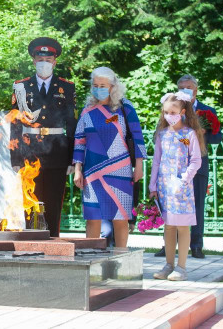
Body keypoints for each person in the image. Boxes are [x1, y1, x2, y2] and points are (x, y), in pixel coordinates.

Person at [72, 67, 146, 247]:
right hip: (92, 172)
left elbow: (137, 137)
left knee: (120, 217)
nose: (98, 88)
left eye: (103, 85)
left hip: (120, 171)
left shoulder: (125, 108)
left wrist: (140, 166)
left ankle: (121, 257)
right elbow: (79, 141)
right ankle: (91, 256)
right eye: (95, 85)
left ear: (113, 86)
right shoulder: (87, 110)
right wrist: (77, 170)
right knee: (92, 217)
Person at [10, 37, 77, 237]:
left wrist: (73, 159)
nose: (44, 63)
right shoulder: (21, 87)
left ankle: (54, 242)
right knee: (30, 202)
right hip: (30, 152)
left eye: (48, 60)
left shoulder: (67, 87)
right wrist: (15, 157)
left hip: (57, 152)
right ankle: (31, 242)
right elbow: (15, 123)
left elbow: (72, 125)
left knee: (54, 202)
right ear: (33, 61)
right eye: (40, 59)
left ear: (55, 62)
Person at [155, 74, 222, 259]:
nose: (185, 90)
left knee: (197, 205)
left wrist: (203, 133)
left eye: (188, 87)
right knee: (171, 206)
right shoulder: (172, 108)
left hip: (197, 167)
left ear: (195, 90)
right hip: (173, 169)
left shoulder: (207, 111)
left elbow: (218, 138)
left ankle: (197, 245)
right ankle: (169, 246)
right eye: (182, 87)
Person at [150, 92, 204, 281]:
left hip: (182, 188)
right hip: (165, 187)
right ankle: (168, 264)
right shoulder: (162, 134)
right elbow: (156, 161)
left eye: (172, 112)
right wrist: (153, 184)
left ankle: (181, 267)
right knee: (169, 226)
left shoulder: (188, 134)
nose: (168, 116)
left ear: (181, 112)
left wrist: (184, 179)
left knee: (182, 227)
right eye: (165, 112)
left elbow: (195, 160)